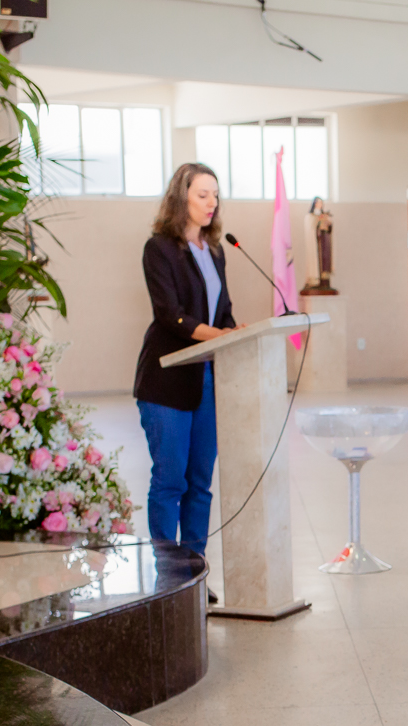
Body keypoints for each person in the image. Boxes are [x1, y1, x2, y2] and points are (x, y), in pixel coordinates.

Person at [133, 162, 237, 556]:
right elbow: (170, 314)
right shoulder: (159, 248)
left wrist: (233, 331)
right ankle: (168, 571)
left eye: (215, 195)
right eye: (202, 195)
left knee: (200, 482)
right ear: (182, 198)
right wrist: (221, 335)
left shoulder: (215, 250)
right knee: (170, 481)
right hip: (167, 380)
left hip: (206, 378)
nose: (212, 203)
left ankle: (193, 567)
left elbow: (223, 311)